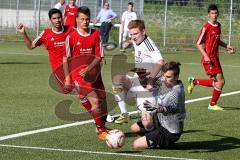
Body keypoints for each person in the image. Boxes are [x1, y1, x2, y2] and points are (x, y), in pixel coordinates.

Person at [18, 8, 100, 134]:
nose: (57, 20)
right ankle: (97, 115)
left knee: (87, 92)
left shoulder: (71, 30)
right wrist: (24, 33)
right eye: (54, 18)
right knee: (80, 93)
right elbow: (30, 46)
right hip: (60, 73)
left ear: (63, 18)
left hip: (75, 68)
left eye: (59, 17)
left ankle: (98, 118)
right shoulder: (46, 34)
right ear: (50, 20)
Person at [63, 6, 109, 140]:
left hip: (94, 73)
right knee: (95, 102)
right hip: (79, 75)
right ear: (76, 19)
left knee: (103, 105)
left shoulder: (96, 34)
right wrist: (67, 78)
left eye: (87, 19)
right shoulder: (71, 37)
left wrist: (88, 69)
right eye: (82, 19)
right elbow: (66, 58)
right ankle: (101, 130)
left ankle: (101, 124)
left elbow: (98, 56)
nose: (85, 21)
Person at [113, 19, 165, 124]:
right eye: (131, 34)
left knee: (146, 124)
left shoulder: (148, 44)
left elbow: (160, 61)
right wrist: (128, 42)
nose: (133, 36)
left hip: (149, 87)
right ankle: (124, 114)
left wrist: (150, 82)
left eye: (135, 33)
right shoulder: (137, 40)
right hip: (138, 80)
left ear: (143, 32)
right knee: (117, 80)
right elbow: (133, 40)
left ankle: (156, 120)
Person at [188, 4, 235, 111]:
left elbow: (217, 41)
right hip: (209, 59)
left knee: (217, 82)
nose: (214, 15)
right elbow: (198, 43)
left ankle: (194, 81)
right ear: (208, 14)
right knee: (221, 82)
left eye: (216, 13)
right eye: (212, 13)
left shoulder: (218, 25)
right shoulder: (206, 27)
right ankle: (212, 104)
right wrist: (205, 56)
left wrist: (227, 46)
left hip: (215, 58)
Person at [131, 61, 186, 149]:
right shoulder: (165, 81)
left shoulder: (176, 91)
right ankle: (152, 136)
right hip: (160, 121)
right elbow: (146, 84)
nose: (164, 79)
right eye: (164, 76)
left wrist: (157, 109)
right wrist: (141, 76)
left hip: (169, 131)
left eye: (168, 77)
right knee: (134, 128)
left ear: (176, 77)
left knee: (136, 144)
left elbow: (172, 108)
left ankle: (162, 142)